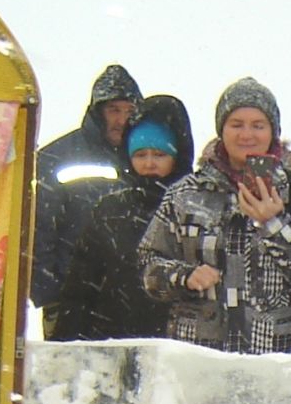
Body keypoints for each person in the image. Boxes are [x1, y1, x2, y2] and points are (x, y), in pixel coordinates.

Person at [138, 77, 291, 355]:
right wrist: (184, 277)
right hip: (196, 357)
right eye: (236, 124)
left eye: (258, 125)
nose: (247, 135)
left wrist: (274, 225)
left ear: (273, 132)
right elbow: (148, 268)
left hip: (272, 357)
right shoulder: (185, 192)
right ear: (221, 130)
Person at [53, 95, 195, 342]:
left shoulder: (197, 205)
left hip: (179, 351)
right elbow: (80, 289)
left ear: (177, 155)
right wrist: (66, 346)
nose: (149, 163)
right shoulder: (110, 210)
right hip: (113, 344)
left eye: (159, 155)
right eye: (140, 154)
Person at [33, 63, 141, 332]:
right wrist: (52, 292)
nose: (121, 119)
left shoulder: (146, 158)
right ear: (97, 112)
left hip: (129, 303)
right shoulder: (55, 158)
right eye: (114, 110)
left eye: (129, 111)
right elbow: (40, 227)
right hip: (71, 301)